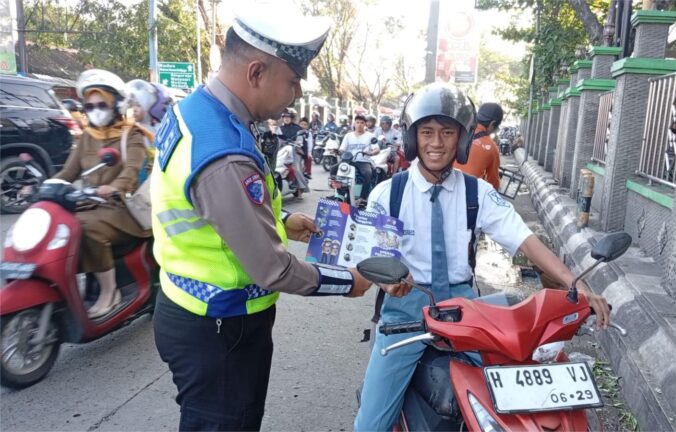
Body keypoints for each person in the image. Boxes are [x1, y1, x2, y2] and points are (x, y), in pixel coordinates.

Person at [150, 13, 397, 431]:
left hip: (189, 307)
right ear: (257, 72)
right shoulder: (225, 152)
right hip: (220, 328)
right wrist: (347, 281)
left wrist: (280, 219)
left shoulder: (195, 112)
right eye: (293, 81)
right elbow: (272, 268)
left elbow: (210, 207)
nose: (297, 95)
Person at [354, 82, 611, 431]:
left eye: (447, 132)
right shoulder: (389, 194)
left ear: (461, 139)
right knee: (370, 425)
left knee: (512, 397)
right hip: (407, 314)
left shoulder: (477, 193)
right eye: (426, 132)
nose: (436, 142)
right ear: (413, 138)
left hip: (466, 313)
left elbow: (525, 240)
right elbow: (377, 255)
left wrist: (577, 285)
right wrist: (389, 280)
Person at [24, 70, 151, 318]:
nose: (96, 110)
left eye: (102, 104)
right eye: (90, 105)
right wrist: (43, 186)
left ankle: (109, 292)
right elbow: (68, 172)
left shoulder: (131, 135)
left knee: (84, 227)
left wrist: (114, 187)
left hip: (124, 209)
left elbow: (132, 170)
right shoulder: (86, 138)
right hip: (92, 205)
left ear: (116, 104)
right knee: (59, 224)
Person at [331, 114, 379, 207]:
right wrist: (337, 151)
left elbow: (377, 149)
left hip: (363, 161)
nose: (359, 125)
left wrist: (371, 153)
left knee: (368, 173)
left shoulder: (370, 136)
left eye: (362, 123)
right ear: (354, 123)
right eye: (357, 122)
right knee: (333, 169)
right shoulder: (348, 135)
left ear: (365, 124)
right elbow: (342, 149)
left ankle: (363, 197)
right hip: (349, 161)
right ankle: (338, 192)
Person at [454, 102, 503, 190]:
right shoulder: (491, 147)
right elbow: (493, 183)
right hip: (468, 198)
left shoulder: (456, 131)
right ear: (492, 124)